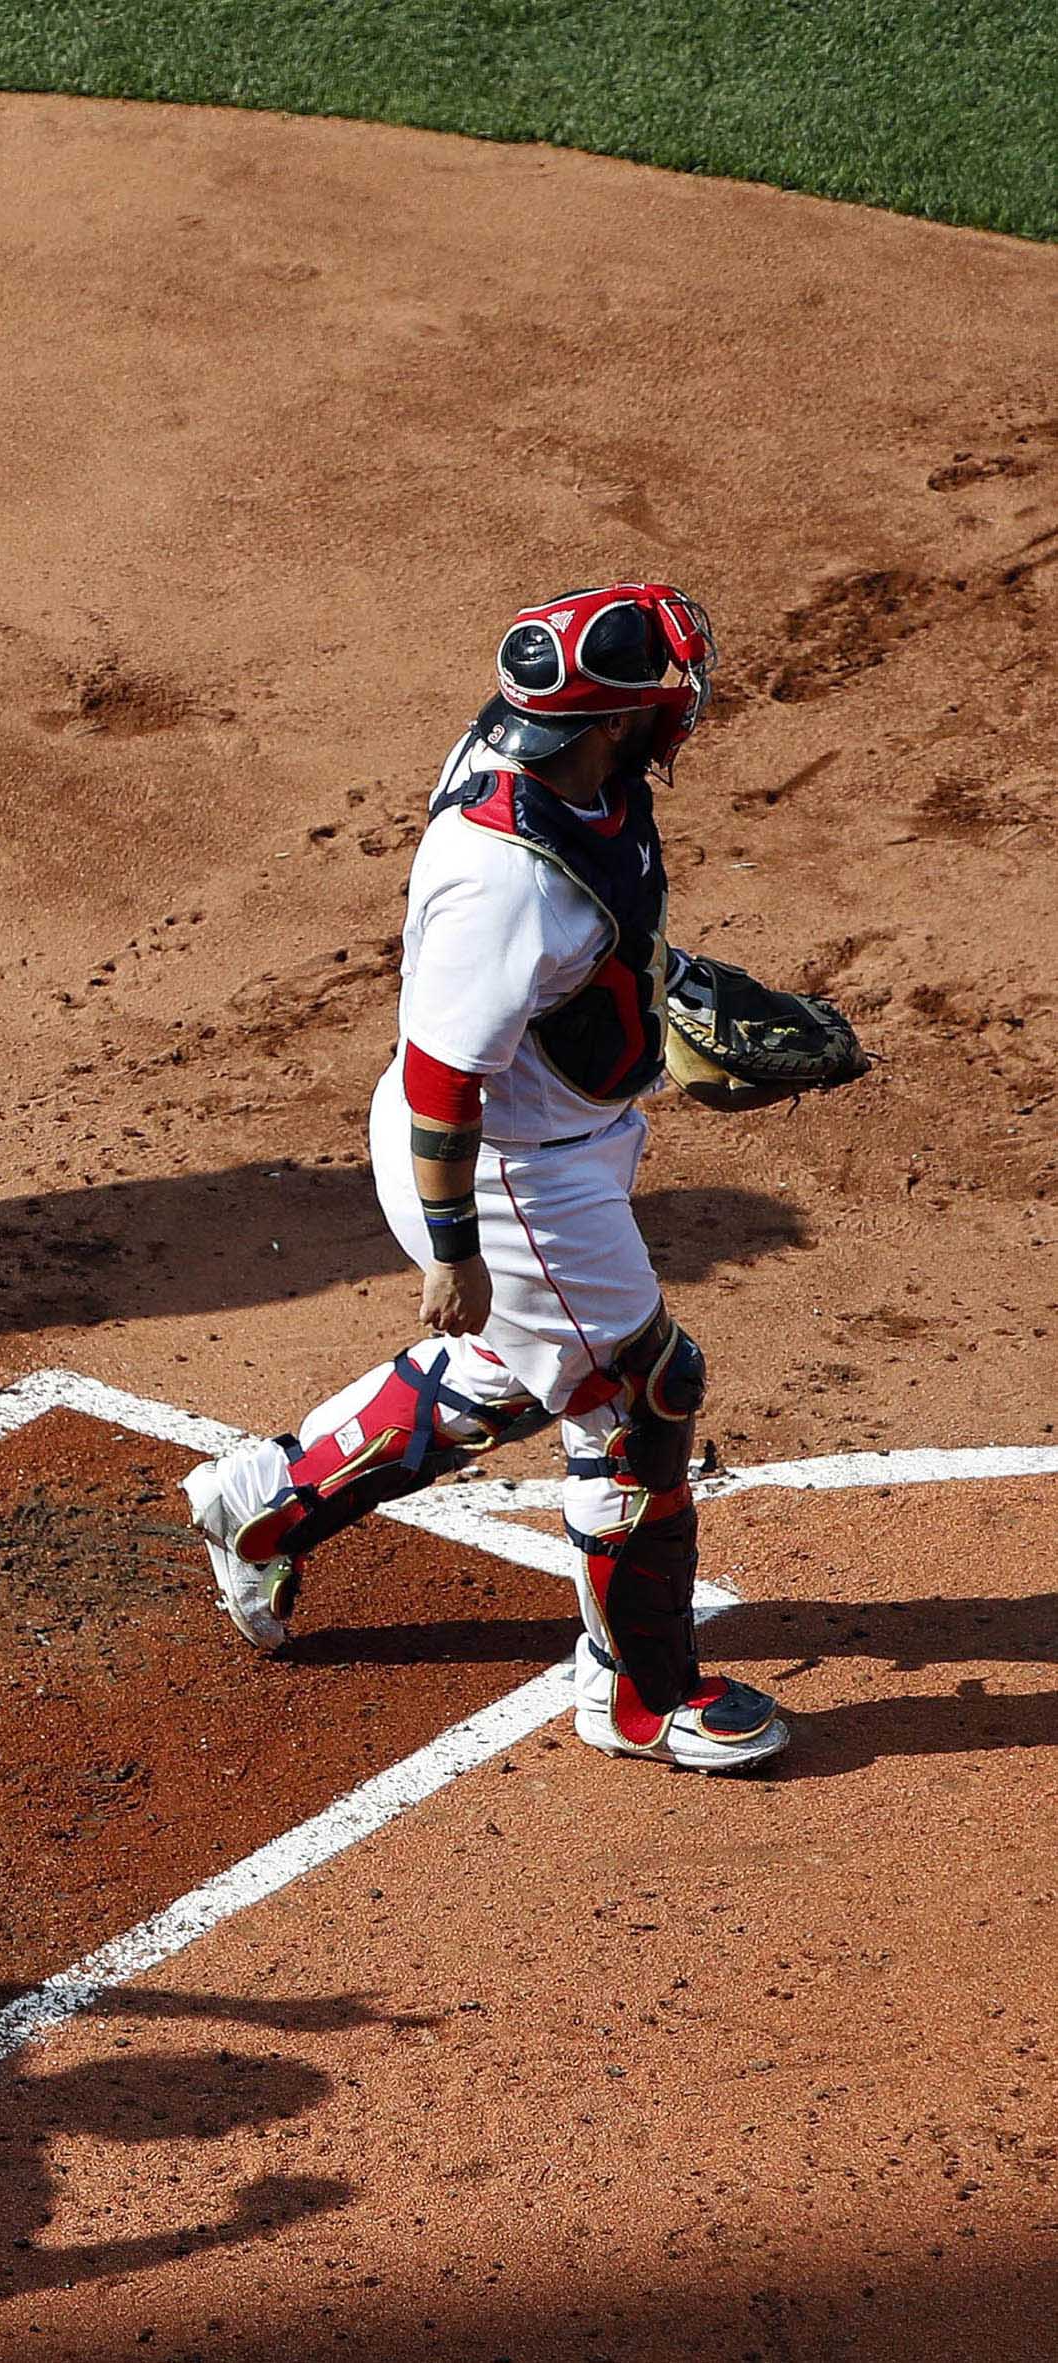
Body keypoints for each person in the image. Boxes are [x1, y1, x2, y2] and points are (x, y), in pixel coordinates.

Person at [181, 584, 790, 1773]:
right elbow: (444, 1079)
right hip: (506, 1173)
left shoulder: (563, 767)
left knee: (528, 1363)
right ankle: (639, 1694)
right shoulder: (501, 878)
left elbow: (584, 951)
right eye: (661, 698)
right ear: (606, 722)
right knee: (636, 1395)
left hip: (560, 1141)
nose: (681, 710)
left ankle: (268, 1501)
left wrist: (658, 1002)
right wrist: (455, 1250)